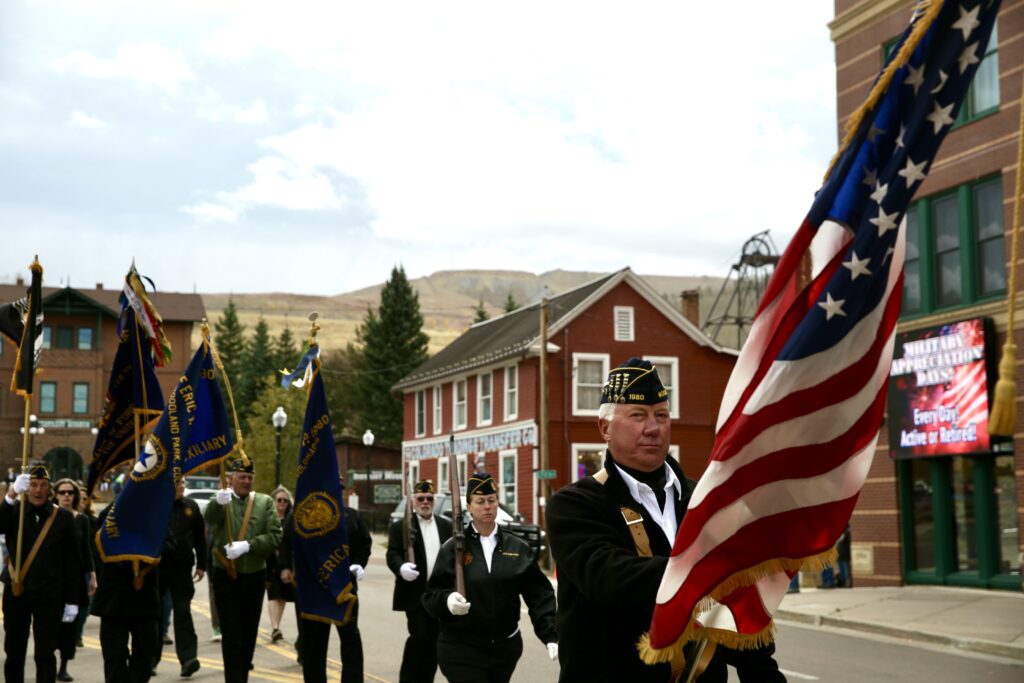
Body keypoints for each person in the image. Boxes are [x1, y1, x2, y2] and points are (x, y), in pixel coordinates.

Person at [547, 357, 786, 682]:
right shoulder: (575, 505)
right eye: (637, 416)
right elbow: (610, 580)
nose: (653, 427)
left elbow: (736, 606)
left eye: (661, 415)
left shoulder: (706, 500)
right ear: (605, 428)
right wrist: (712, 566)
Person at [422, 472, 558, 683]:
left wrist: (550, 634)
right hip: (461, 648)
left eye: (491, 500)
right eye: (480, 501)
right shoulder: (453, 548)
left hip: (504, 648)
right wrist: (447, 600)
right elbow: (431, 596)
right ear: (468, 507)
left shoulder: (517, 548)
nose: (487, 506)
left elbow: (539, 594)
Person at [280, 478, 372, 683]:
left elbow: (364, 543)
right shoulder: (301, 515)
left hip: (344, 587)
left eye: (337, 490)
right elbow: (286, 541)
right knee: (313, 642)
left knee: (350, 639)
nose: (334, 493)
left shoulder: (351, 517)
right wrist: (285, 566)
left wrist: (358, 563)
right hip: (314, 588)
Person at [0, 465, 82, 683]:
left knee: (45, 654)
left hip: (49, 594)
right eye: (33, 485)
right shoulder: (15, 512)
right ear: (27, 488)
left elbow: (73, 561)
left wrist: (72, 600)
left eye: (43, 486)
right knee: (14, 652)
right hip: (18, 591)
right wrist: (10, 495)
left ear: (49, 490)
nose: (37, 490)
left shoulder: (62, 518)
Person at [204, 457, 282, 683]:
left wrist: (249, 545)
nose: (246, 481)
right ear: (231, 478)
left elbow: (276, 535)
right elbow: (209, 518)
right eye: (242, 477)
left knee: (248, 635)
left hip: (254, 575)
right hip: (225, 575)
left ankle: (241, 676)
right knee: (231, 635)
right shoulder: (221, 499)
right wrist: (218, 502)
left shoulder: (264, 502)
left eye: (250, 477)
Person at [385, 480, 453, 683]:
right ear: (413, 501)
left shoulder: (445, 525)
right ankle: (408, 679)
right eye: (421, 498)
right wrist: (400, 568)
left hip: (438, 594)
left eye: (429, 499)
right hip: (415, 593)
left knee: (433, 641)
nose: (425, 502)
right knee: (419, 637)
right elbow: (392, 553)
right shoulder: (402, 527)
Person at [91, 504, 161, 683]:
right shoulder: (110, 514)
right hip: (114, 599)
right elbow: (97, 546)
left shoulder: (154, 514)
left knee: (145, 656)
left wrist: (147, 549)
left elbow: (169, 545)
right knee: (114, 658)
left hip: (144, 597)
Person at [155, 478, 207, 677]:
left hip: (182, 569)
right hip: (158, 568)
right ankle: (150, 659)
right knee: (156, 614)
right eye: (178, 482)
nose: (182, 486)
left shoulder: (191, 507)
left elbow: (200, 538)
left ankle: (188, 659)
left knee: (183, 612)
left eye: (183, 482)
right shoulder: (156, 506)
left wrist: (202, 564)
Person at [52, 478, 96, 682]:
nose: (67, 496)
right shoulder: (48, 517)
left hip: (75, 578)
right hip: (52, 578)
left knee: (71, 624)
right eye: (62, 492)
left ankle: (63, 666)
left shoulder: (83, 520)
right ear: (56, 495)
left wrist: (92, 574)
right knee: (50, 623)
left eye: (70, 492)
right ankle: (48, 662)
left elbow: (87, 550)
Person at [265, 486, 295, 644]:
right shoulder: (268, 518)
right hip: (270, 562)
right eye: (279, 500)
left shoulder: (291, 519)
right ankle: (275, 627)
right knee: (273, 594)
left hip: (285, 564)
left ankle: (277, 626)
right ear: (274, 501)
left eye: (285, 500)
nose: (282, 503)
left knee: (282, 596)